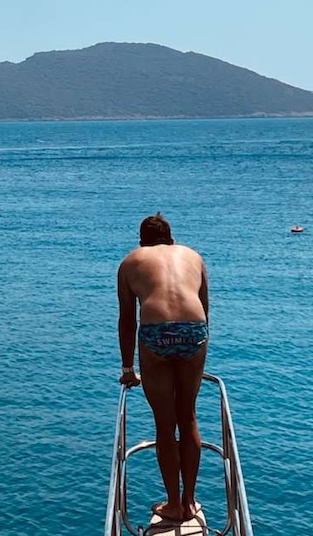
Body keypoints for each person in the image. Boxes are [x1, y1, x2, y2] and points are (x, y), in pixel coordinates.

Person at [117, 212, 209, 522]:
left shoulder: (131, 261)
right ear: (171, 240)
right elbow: (204, 313)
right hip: (194, 332)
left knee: (164, 422)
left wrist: (128, 368)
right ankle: (189, 501)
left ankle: (172, 504)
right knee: (189, 415)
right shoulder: (193, 256)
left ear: (141, 241)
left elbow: (128, 320)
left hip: (155, 334)